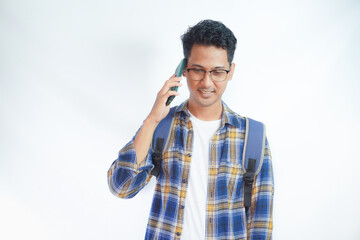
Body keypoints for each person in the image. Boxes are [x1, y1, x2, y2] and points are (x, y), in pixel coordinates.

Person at [107, 19, 274, 240]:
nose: (206, 82)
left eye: (217, 72)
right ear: (184, 69)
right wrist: (151, 120)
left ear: (230, 71)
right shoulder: (162, 126)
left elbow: (260, 223)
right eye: (198, 70)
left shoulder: (253, 136)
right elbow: (121, 187)